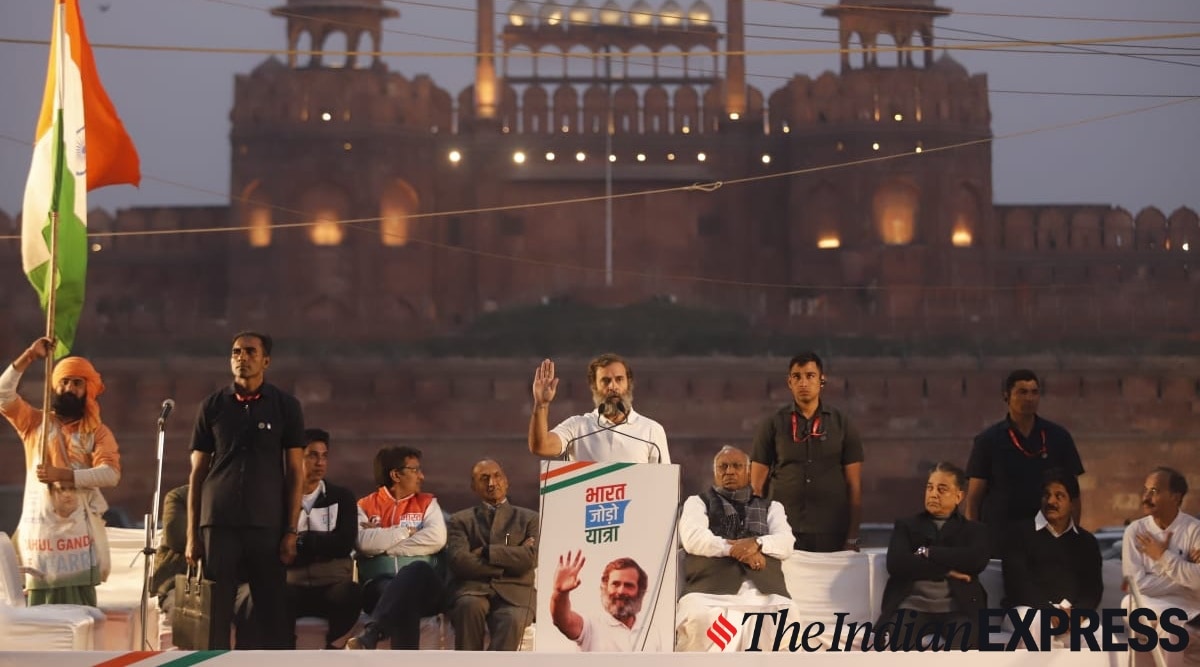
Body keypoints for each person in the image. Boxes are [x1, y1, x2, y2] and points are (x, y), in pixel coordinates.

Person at [186, 331, 306, 649]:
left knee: (272, 614)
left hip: (266, 523)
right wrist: (192, 535)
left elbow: (296, 471)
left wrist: (291, 530)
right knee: (215, 614)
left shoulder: (285, 406)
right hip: (219, 521)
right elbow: (197, 473)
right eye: (236, 352)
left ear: (266, 361)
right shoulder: (212, 406)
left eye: (251, 352)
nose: (242, 358)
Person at [0, 336, 120, 606]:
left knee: (80, 617)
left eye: (77, 383)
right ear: (55, 386)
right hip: (40, 543)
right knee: (40, 618)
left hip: (78, 546)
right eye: (64, 382)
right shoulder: (34, 424)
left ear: (88, 389)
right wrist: (29, 356)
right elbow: (3, 395)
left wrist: (64, 476)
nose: (69, 388)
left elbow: (110, 473)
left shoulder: (97, 433)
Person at [676, 445, 794, 652]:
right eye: (723, 467)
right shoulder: (697, 502)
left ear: (748, 472)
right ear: (715, 473)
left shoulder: (772, 506)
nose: (729, 471)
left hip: (763, 591)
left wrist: (756, 543)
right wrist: (734, 550)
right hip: (708, 591)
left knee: (787, 616)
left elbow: (786, 542)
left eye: (737, 466)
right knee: (698, 617)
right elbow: (693, 538)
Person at [749, 351, 863, 552]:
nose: (803, 383)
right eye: (797, 376)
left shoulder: (842, 424)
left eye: (810, 376)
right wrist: (757, 534)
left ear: (821, 380)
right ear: (789, 382)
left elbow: (853, 486)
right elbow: (756, 487)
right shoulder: (773, 424)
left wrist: (852, 537)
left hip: (832, 530)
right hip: (782, 529)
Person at [965, 369, 1084, 555]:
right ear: (1006, 396)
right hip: (999, 541)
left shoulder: (1058, 437)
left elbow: (1074, 496)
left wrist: (1071, 538)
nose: (1029, 398)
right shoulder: (988, 441)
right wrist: (974, 544)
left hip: (1047, 539)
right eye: (1022, 392)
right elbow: (973, 501)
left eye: (1034, 392)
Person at [878, 462, 990, 650]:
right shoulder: (907, 526)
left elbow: (975, 560)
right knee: (899, 634)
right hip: (911, 607)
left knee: (967, 639)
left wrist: (928, 552)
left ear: (959, 496)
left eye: (942, 489)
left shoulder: (974, 530)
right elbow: (897, 563)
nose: (933, 494)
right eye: (930, 488)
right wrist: (946, 571)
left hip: (958, 609)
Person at [346, 445, 448, 650]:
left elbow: (436, 538)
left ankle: (373, 632)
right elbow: (364, 542)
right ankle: (400, 656)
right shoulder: (364, 506)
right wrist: (406, 531)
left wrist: (383, 544)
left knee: (416, 570)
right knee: (403, 597)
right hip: (378, 588)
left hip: (426, 588)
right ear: (395, 475)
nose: (421, 476)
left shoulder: (428, 503)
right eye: (415, 470)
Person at [445, 459, 539, 650]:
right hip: (473, 589)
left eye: (497, 476)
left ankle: (495, 664)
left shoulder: (530, 519)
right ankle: (467, 664)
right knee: (468, 606)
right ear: (473, 486)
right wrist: (509, 562)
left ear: (506, 481)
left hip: (516, 594)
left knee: (512, 619)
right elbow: (459, 561)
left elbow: (530, 558)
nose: (491, 483)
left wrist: (486, 551)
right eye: (484, 478)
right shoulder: (460, 520)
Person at [284, 429, 361, 649]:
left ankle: (333, 652)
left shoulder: (342, 497)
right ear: (296, 457)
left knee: (351, 593)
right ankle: (284, 654)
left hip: (332, 585)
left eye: (324, 456)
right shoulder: (280, 498)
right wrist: (323, 546)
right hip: (293, 584)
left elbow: (344, 544)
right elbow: (276, 547)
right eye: (312, 455)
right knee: (275, 594)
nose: (320, 463)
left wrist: (302, 542)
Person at [528, 354, 670, 463]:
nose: (613, 386)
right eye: (605, 381)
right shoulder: (577, 427)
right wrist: (541, 404)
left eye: (619, 379)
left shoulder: (651, 430)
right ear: (594, 386)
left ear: (629, 383)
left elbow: (665, 483)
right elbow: (541, 446)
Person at [1002, 470, 1102, 619]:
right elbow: (1017, 584)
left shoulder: (1087, 541)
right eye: (1046, 495)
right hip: (1027, 612)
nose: (1050, 502)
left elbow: (1093, 589)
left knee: (1100, 633)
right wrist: (1050, 612)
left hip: (1072, 614)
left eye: (1059, 496)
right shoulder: (1018, 534)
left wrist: (1079, 614)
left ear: (1073, 504)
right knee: (1040, 628)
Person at [1122, 467, 1200, 621]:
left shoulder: (1195, 530)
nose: (1146, 497)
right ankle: (1186, 624)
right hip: (1151, 608)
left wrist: (1162, 556)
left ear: (1175, 497)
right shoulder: (1135, 531)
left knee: (1165, 627)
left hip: (1188, 606)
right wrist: (1185, 570)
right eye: (1145, 490)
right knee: (1129, 603)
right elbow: (1135, 586)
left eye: (1154, 491)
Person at [552, 552, 658, 651]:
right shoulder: (590, 625)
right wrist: (560, 593)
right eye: (615, 584)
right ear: (605, 587)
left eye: (628, 585)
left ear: (640, 591)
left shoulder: (652, 631)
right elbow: (563, 620)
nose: (621, 591)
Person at [152, 484, 190, 614]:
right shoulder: (180, 496)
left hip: (231, 581)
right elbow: (176, 539)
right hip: (179, 578)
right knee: (177, 607)